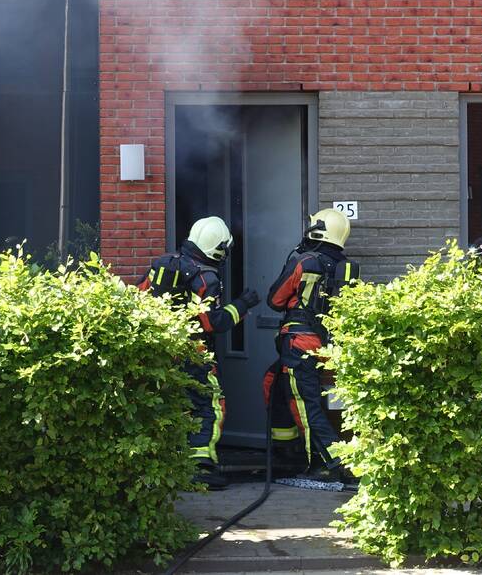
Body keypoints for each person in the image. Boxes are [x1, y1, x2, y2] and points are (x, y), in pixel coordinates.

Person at [139, 216, 260, 490]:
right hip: (194, 353)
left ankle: (175, 462)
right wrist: (242, 305)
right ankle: (201, 466)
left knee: (175, 406)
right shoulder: (206, 277)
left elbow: (139, 295)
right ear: (218, 249)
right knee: (209, 404)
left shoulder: (163, 265)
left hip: (162, 350)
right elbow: (213, 322)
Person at [263, 208, 359, 482]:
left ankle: (335, 464)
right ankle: (286, 450)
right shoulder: (348, 268)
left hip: (300, 344)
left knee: (307, 407)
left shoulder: (304, 262)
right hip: (327, 347)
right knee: (271, 381)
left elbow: (275, 300)